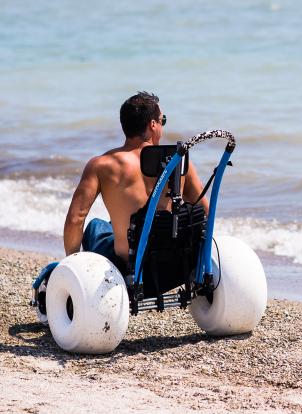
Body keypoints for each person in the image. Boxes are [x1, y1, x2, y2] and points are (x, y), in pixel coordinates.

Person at [33, 92, 206, 294]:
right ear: (152, 125)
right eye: (162, 121)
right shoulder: (180, 163)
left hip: (128, 270)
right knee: (110, 225)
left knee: (96, 226)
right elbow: (204, 211)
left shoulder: (103, 165)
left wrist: (72, 267)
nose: (162, 126)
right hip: (177, 267)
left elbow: (75, 218)